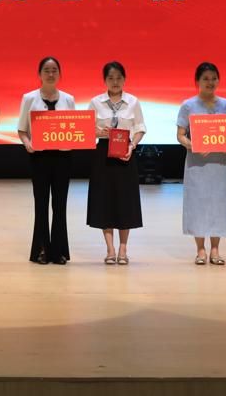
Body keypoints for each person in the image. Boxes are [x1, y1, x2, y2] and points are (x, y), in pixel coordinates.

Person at [175, 62, 226, 266]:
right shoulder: (188, 105)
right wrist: (192, 145)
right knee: (198, 203)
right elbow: (180, 135)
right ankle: (200, 249)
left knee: (219, 203)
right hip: (197, 162)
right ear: (197, 82)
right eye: (205, 79)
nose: (210, 82)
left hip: (220, 162)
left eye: (213, 78)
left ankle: (216, 249)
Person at [17, 56, 76, 265]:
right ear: (39, 74)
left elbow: (75, 128)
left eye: (54, 70)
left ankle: (59, 250)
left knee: (60, 205)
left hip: (63, 158)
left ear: (59, 74)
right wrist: (27, 144)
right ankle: (41, 249)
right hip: (39, 158)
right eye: (46, 70)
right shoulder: (29, 98)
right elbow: (22, 130)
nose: (50, 74)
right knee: (41, 204)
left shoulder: (68, 99)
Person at [86, 61, 145, 265]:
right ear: (105, 80)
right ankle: (110, 249)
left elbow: (140, 128)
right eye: (110, 78)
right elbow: (86, 129)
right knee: (105, 200)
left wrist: (132, 146)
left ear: (124, 79)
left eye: (119, 77)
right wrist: (99, 132)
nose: (115, 82)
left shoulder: (133, 102)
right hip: (103, 154)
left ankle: (123, 248)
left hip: (125, 153)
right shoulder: (96, 102)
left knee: (125, 201)